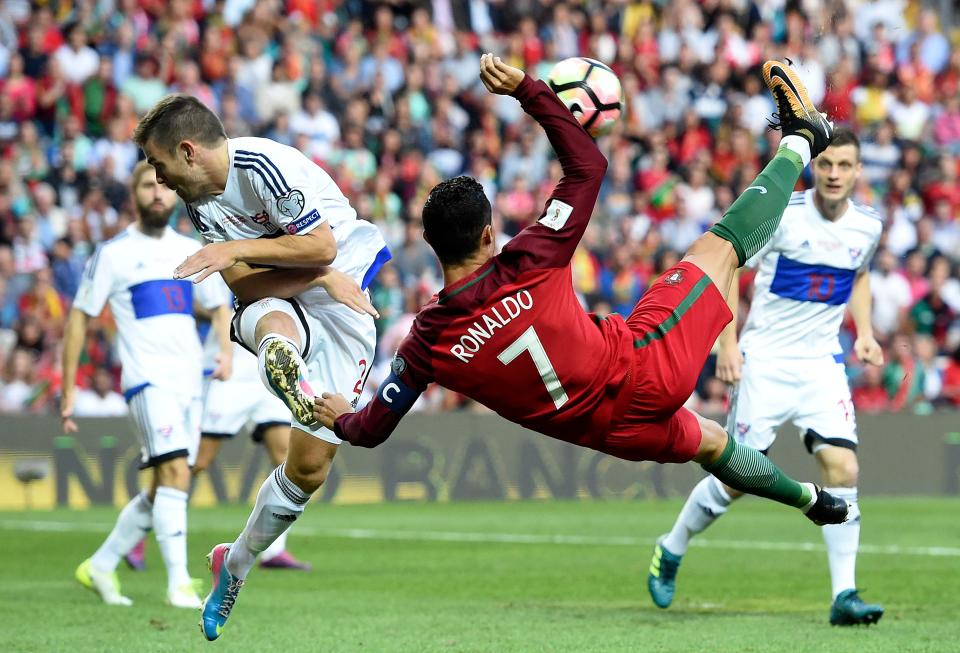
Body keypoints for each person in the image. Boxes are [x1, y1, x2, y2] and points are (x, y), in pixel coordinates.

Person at [316, 55, 845, 575]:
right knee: (721, 249)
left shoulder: (426, 341)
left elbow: (369, 430)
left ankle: (809, 499)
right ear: (487, 235)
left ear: (431, 244)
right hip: (643, 366)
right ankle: (800, 138)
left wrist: (340, 416)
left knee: (711, 444)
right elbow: (588, 166)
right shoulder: (531, 257)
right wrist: (528, 89)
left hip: (613, 435)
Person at [132, 93, 388, 640]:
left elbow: (321, 246)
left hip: (347, 301)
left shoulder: (258, 166)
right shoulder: (200, 201)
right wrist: (306, 275)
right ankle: (285, 360)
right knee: (268, 323)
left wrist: (237, 252)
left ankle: (236, 562)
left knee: (309, 469)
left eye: (158, 164)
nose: (158, 177)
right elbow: (244, 286)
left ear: (187, 151)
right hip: (287, 298)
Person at [648, 128, 885, 626]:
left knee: (842, 468)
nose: (835, 174)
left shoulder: (868, 227)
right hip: (766, 362)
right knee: (736, 480)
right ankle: (671, 547)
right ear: (813, 168)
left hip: (822, 364)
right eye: (826, 165)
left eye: (845, 166)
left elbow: (858, 275)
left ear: (859, 170)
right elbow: (729, 268)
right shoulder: (785, 216)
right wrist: (728, 344)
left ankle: (845, 595)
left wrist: (863, 330)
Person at [64, 161, 234, 608]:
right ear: (133, 194)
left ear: (175, 192)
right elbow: (79, 319)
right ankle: (178, 582)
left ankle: (100, 566)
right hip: (146, 382)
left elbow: (218, 306)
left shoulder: (188, 248)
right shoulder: (114, 253)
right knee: (176, 472)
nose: (157, 194)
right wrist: (66, 390)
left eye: (163, 186)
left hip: (191, 384)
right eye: (146, 186)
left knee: (165, 485)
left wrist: (225, 352)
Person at [193, 278, 311, 571]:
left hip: (266, 370)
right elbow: (203, 305)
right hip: (229, 373)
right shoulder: (223, 257)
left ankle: (273, 550)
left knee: (287, 456)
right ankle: (140, 525)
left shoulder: (279, 255)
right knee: (198, 461)